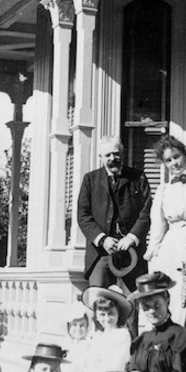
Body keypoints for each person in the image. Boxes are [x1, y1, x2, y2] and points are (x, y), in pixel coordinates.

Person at [77, 135, 151, 334]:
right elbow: (83, 215)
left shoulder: (138, 178)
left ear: (123, 154)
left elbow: (146, 212)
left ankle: (130, 355)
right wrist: (102, 239)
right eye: (108, 154)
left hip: (131, 254)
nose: (113, 158)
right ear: (101, 156)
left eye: (116, 154)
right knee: (99, 306)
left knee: (131, 305)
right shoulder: (90, 180)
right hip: (100, 253)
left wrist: (132, 237)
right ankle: (100, 355)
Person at [145, 134, 186, 325]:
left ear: (185, 155)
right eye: (168, 160)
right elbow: (158, 226)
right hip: (170, 247)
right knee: (168, 292)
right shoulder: (164, 190)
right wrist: (153, 254)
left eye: (176, 157)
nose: (174, 163)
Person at [62, 301, 94, 372]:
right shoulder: (65, 344)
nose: (78, 329)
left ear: (87, 327)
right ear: (68, 326)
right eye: (74, 325)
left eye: (82, 325)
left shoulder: (89, 344)